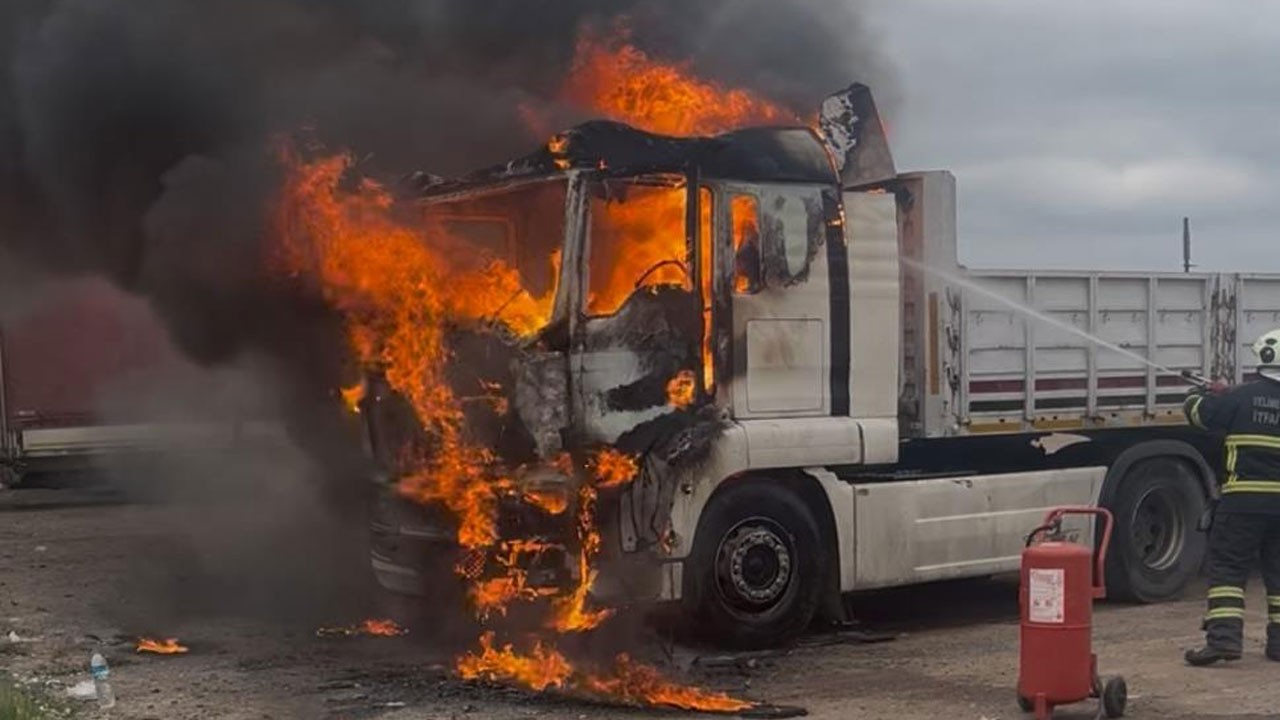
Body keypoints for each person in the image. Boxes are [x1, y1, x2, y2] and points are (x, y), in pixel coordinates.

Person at [1183, 329, 1280, 666]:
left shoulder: (1240, 396)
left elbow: (1197, 413)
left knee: (1228, 570)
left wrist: (1203, 392)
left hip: (1243, 503)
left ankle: (1224, 641)